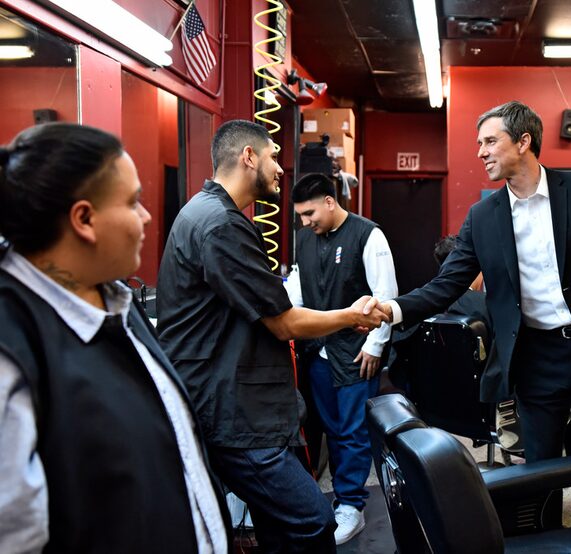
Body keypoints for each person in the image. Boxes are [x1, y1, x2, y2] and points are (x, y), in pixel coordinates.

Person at [377, 101, 571, 547]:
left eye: (489, 141)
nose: (480, 152)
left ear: (523, 142)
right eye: (478, 143)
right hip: (536, 360)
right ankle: (548, 545)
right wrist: (391, 309)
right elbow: (446, 286)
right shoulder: (483, 217)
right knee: (540, 472)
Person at [156, 120, 388, 554]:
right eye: (274, 156)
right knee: (312, 520)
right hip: (231, 414)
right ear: (248, 157)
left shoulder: (208, 215)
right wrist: (350, 315)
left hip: (235, 403)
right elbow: (282, 321)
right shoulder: (219, 225)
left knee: (279, 525)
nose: (281, 168)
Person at [0, 123, 229, 553]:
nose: (145, 217)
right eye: (132, 202)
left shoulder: (114, 301)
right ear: (83, 218)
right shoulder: (13, 344)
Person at [286, 173, 397, 545]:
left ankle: (352, 504)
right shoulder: (304, 238)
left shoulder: (368, 234)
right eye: (300, 216)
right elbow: (297, 290)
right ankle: (340, 498)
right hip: (317, 351)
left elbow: (386, 294)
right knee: (331, 430)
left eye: (309, 213)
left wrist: (376, 345)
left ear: (330, 202)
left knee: (352, 432)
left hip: (355, 352)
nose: (305, 222)